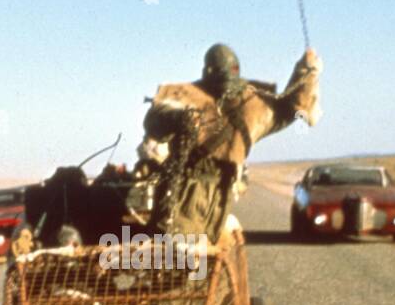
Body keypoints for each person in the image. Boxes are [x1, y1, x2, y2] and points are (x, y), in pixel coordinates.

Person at [138, 43, 322, 242]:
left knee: (189, 255)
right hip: (185, 193)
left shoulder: (247, 105)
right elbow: (291, 109)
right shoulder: (251, 105)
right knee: (178, 254)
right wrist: (305, 72)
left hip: (208, 195)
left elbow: (291, 109)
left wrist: (306, 71)